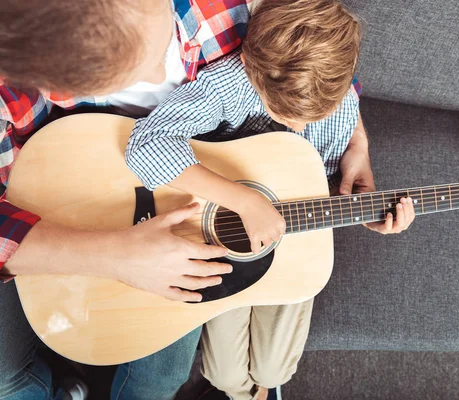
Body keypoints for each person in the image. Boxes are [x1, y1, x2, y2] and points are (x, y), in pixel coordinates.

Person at [0, 0, 410, 399]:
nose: (171, 72)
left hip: (204, 209)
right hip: (79, 202)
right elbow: (146, 142)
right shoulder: (222, 84)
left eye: (165, 42)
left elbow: (324, 50)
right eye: (145, 66)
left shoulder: (208, 16)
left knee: (164, 379)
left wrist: (356, 141)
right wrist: (115, 255)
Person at [125, 1, 416, 399]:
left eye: (312, 117)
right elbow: (145, 146)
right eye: (283, 111)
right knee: (225, 377)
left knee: (275, 367)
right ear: (249, 63)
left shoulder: (341, 102)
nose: (299, 125)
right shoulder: (227, 83)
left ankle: (262, 389)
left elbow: (322, 182)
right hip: (220, 235)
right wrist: (244, 202)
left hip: (292, 240)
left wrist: (362, 209)